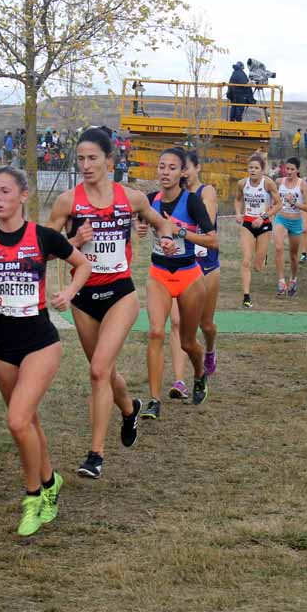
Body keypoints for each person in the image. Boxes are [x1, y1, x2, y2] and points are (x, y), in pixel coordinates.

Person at [0, 166, 91, 536]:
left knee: (17, 420)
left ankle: (33, 497)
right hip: (1, 344)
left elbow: (82, 264)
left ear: (23, 196)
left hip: (40, 342)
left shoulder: (43, 237)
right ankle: (51, 482)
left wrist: (68, 293)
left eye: (4, 192)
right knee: (28, 421)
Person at [47, 127, 175, 478]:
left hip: (121, 293)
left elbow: (161, 223)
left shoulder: (131, 198)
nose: (86, 165)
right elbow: (42, 247)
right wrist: (74, 238)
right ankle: (130, 407)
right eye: (81, 159)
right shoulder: (68, 201)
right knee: (106, 372)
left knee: (98, 370)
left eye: (92, 158)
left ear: (109, 160)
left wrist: (165, 239)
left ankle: (96, 455)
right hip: (84, 298)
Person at [137, 148, 218, 415]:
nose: (165, 172)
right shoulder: (149, 201)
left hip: (189, 276)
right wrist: (138, 228)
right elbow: (140, 224)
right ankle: (154, 401)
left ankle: (198, 374)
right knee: (156, 332)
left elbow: (212, 239)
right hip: (158, 275)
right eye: (162, 167)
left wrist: (180, 231)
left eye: (172, 168)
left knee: (187, 342)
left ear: (182, 172)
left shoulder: (192, 201)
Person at [234, 153, 281, 309]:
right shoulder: (242, 183)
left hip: (264, 224)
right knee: (246, 261)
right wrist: (238, 213)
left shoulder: (268, 184)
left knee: (258, 267)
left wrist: (264, 216)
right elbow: (238, 199)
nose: (253, 170)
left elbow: (279, 204)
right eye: (251, 168)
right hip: (247, 224)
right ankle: (246, 297)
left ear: (262, 170)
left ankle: (262, 257)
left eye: (256, 168)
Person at [273, 157, 307, 297]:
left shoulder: (302, 184)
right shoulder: (279, 182)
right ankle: (281, 281)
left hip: (295, 221)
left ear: (298, 170)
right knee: (278, 247)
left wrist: (294, 202)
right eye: (287, 169)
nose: (289, 172)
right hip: (281, 218)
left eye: (292, 169)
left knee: (294, 256)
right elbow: (273, 196)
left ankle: (293, 279)